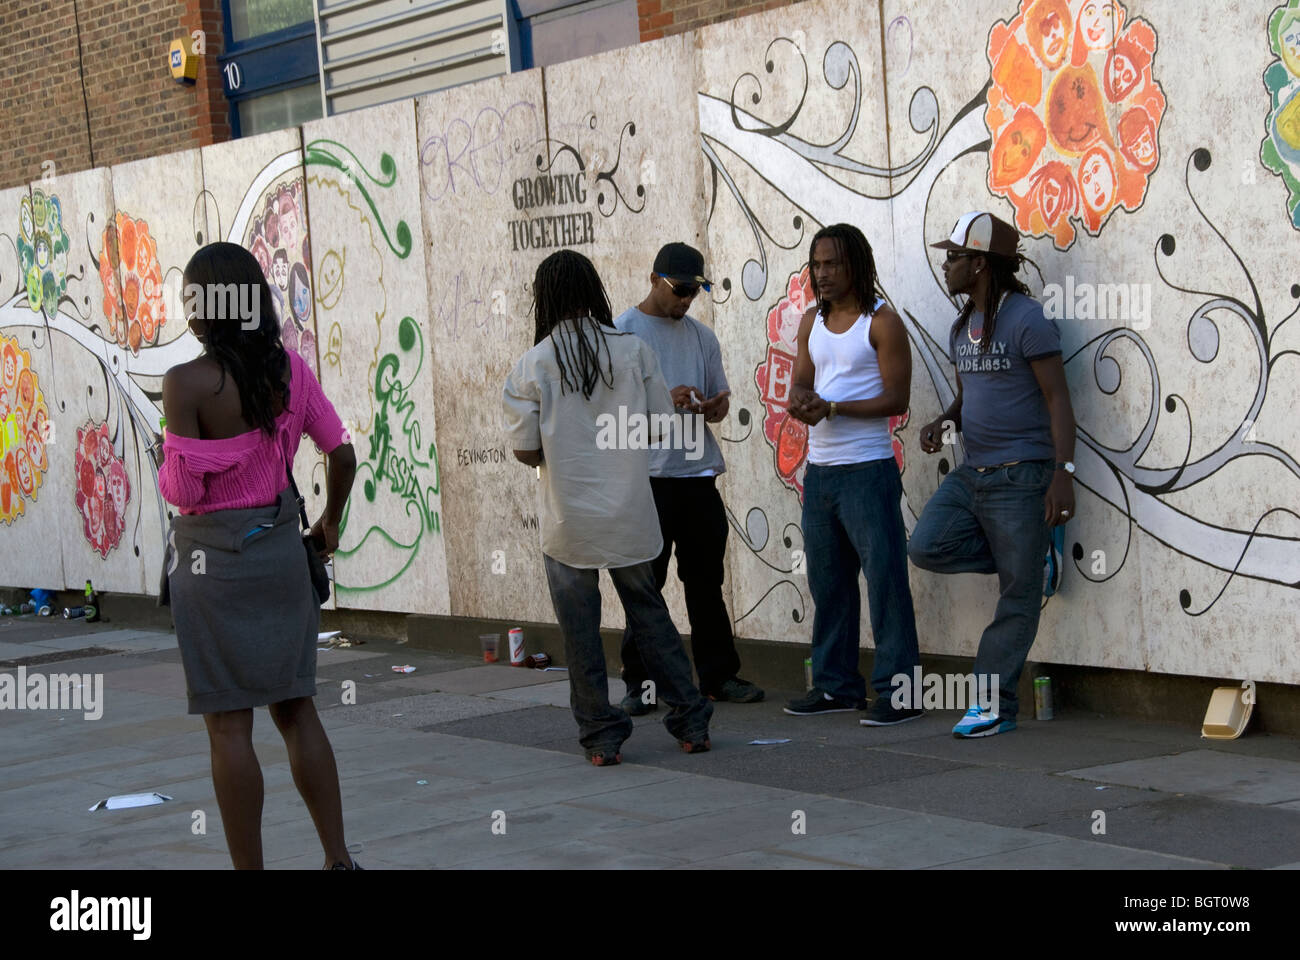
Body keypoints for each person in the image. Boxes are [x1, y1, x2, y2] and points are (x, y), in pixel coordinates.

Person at [157, 242, 360, 868]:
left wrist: (180, 461)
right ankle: (338, 860)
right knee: (298, 711)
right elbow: (342, 454)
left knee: (228, 726)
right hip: (278, 557)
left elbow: (188, 490)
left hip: (209, 567)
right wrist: (327, 526)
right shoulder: (290, 372)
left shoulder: (185, 383)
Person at [502, 249, 713, 766]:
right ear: (594, 290)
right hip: (629, 514)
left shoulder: (533, 364)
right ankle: (691, 720)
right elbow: (661, 424)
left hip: (568, 520)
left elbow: (526, 449)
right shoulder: (634, 351)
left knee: (579, 629)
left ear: (543, 298)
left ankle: (601, 737)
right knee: (650, 614)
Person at [910, 211, 1077, 738]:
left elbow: (1058, 400)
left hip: (1022, 475)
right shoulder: (963, 325)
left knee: (1016, 595)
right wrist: (946, 418)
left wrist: (1062, 474)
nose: (946, 265)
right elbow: (974, 391)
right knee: (925, 546)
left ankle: (993, 702)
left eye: (954, 256)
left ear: (980, 263)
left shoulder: (1026, 319)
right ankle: (1030, 557)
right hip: (972, 473)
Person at [782, 224, 923, 725]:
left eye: (831, 264)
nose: (821, 274)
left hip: (868, 471)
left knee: (885, 582)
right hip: (820, 475)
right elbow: (800, 382)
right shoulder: (810, 323)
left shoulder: (882, 323)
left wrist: (834, 406)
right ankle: (837, 687)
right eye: (816, 265)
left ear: (855, 266)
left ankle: (900, 693)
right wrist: (800, 400)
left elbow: (897, 400)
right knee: (829, 585)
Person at [613, 242, 764, 713]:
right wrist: (662, 402)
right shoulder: (621, 334)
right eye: (679, 290)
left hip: (697, 475)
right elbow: (608, 418)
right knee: (646, 585)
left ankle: (718, 675)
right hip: (648, 479)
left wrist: (716, 406)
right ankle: (641, 681)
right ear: (654, 278)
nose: (685, 301)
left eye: (693, 293)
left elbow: (717, 403)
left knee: (705, 582)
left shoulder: (702, 337)